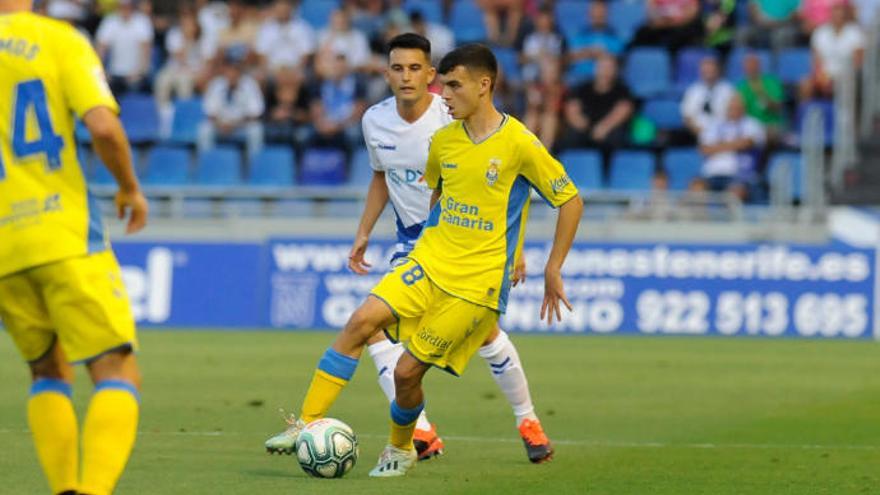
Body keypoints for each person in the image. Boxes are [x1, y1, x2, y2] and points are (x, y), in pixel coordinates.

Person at [265, 43, 584, 478]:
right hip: (428, 259)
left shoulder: (519, 143)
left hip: (476, 282)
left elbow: (569, 200)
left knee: (408, 371)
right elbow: (439, 193)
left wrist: (549, 266)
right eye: (443, 85)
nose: (444, 94)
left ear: (483, 85)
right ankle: (306, 423)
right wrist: (419, 241)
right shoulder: (444, 139)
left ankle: (410, 445)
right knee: (361, 322)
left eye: (452, 85)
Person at [0, 2, 149, 494]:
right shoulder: (58, 39)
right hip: (60, 230)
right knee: (116, 369)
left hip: (3, 248)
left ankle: (65, 488)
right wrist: (129, 186)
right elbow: (103, 126)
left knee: (47, 367)